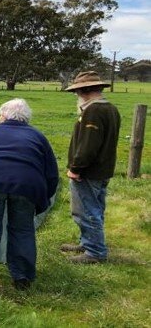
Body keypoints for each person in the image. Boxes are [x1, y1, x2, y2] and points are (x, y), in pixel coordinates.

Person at [0, 99, 58, 294]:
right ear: (26, 118)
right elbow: (51, 173)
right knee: (23, 230)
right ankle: (22, 277)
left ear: (3, 115)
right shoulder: (38, 136)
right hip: (27, 185)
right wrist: (43, 198)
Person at [62, 71, 120, 264]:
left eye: (77, 91)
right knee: (96, 208)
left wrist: (76, 168)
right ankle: (88, 243)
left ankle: (95, 252)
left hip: (89, 171)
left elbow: (88, 145)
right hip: (103, 169)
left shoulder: (93, 111)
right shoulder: (110, 108)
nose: (76, 95)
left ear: (84, 90)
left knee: (86, 211)